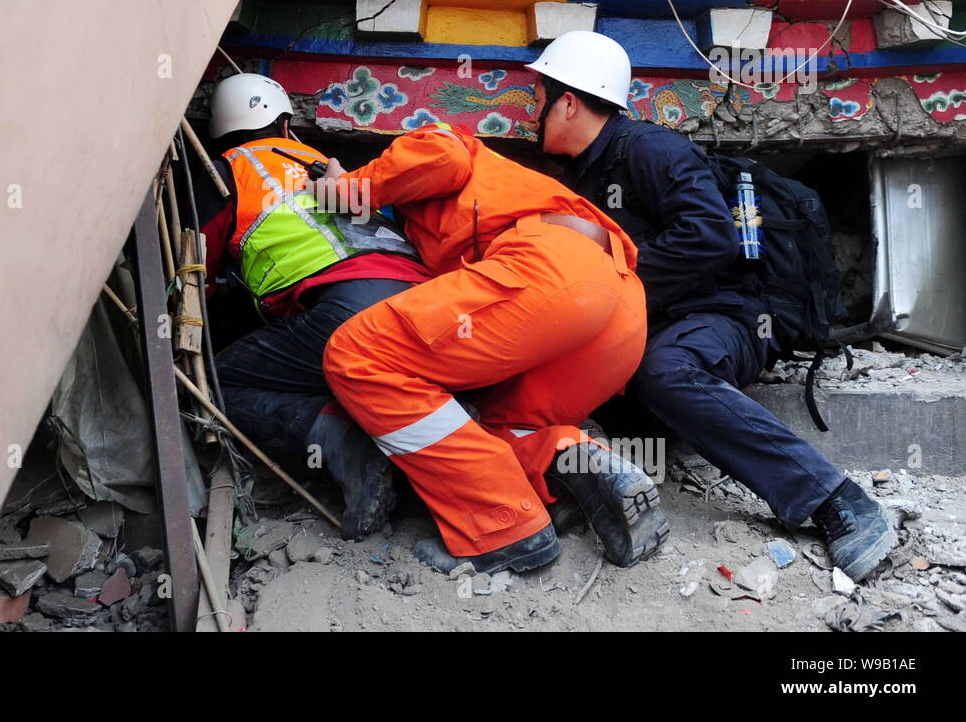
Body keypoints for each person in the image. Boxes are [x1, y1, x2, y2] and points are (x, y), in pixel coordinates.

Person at [528, 29, 897, 583]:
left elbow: (709, 237)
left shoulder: (650, 149)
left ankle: (837, 502)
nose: (531, 110)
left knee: (665, 372)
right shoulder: (585, 175)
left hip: (727, 317)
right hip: (651, 328)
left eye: (538, 97)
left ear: (570, 101)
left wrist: (617, 283)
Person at [317, 121, 667, 575]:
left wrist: (344, 187)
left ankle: (504, 529)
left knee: (360, 354)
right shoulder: (501, 193)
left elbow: (442, 157)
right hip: (618, 308)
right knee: (490, 430)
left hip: (550, 271)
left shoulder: (448, 139)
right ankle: (566, 461)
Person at [191, 73, 431, 539]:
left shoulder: (224, 173)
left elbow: (198, 271)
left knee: (218, 383)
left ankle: (342, 441)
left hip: (348, 307)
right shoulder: (337, 168)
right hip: (428, 301)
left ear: (219, 133)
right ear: (285, 125)